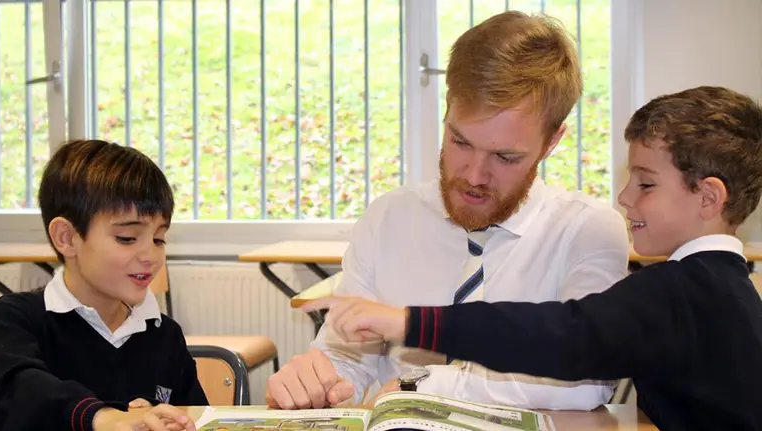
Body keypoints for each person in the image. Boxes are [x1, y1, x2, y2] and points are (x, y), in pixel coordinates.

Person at [304, 86, 762, 431]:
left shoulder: (676, 294)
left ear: (708, 197)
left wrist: (410, 323)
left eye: (644, 183)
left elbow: (556, 336)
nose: (623, 197)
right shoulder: (719, 287)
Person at [265, 11, 630, 411]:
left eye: (505, 157)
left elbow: (585, 380)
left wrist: (430, 384)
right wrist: (315, 380)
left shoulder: (587, 231)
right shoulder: (389, 218)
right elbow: (347, 358)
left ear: (552, 142)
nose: (474, 175)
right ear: (447, 108)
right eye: (460, 141)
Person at [0, 140, 206, 431]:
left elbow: (196, 415)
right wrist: (105, 417)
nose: (150, 256)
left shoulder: (164, 336)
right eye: (127, 238)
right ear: (67, 238)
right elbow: (21, 391)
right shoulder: (15, 319)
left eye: (159, 239)